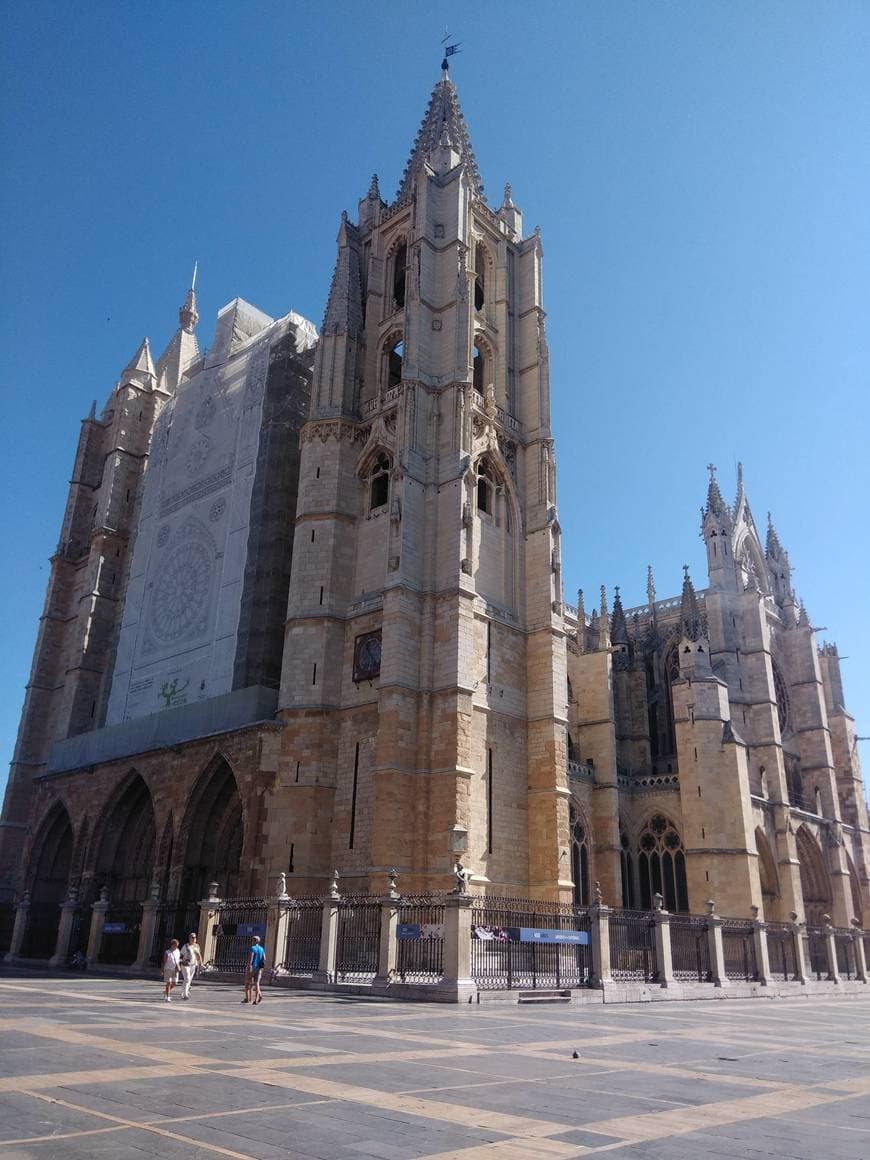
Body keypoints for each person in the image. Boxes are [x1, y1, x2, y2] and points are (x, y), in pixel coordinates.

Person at [179, 931, 203, 1000]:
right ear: (189, 938)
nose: (194, 939)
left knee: (188, 980)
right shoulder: (186, 946)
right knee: (187, 979)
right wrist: (179, 962)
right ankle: (185, 994)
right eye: (192, 937)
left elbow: (198, 955)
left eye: (195, 937)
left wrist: (200, 963)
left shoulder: (197, 946)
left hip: (193, 965)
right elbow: (181, 955)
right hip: (185, 964)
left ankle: (183, 993)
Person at [243, 935, 266, 1004]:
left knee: (247, 983)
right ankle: (256, 998)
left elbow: (251, 958)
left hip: (252, 968)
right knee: (257, 983)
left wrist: (248, 967)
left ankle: (247, 998)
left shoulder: (252, 948)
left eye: (252, 940)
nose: (252, 941)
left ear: (254, 941)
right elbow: (264, 959)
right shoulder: (261, 949)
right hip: (259, 968)